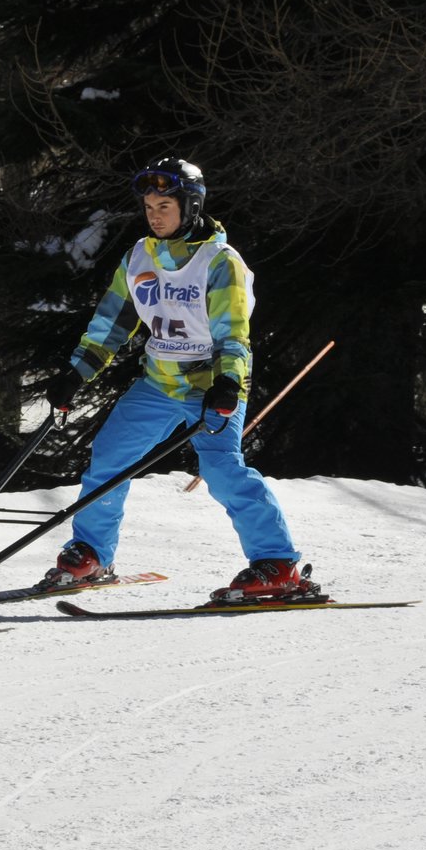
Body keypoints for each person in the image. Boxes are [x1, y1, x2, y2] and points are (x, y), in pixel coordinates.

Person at [44, 157, 303, 602]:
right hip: (158, 383)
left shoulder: (220, 262)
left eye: (165, 204)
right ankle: (92, 553)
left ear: (191, 205)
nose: (155, 215)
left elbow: (232, 333)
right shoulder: (139, 259)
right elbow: (110, 325)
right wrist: (77, 372)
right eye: (148, 207)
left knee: (222, 469)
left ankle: (277, 563)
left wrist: (227, 384)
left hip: (213, 385)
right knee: (109, 459)